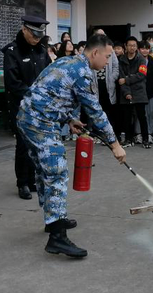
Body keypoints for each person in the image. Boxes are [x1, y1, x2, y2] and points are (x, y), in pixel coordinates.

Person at [17, 33, 126, 258]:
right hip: (40, 122)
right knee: (57, 172)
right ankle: (57, 237)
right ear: (95, 53)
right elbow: (95, 111)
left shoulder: (67, 61)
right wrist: (115, 144)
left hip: (28, 117)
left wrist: (68, 119)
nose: (107, 62)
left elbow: (49, 92)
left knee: (43, 169)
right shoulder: (82, 72)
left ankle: (53, 220)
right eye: (106, 57)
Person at [2, 15, 52, 200]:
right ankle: (22, 182)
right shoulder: (12, 51)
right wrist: (34, 95)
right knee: (23, 145)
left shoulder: (42, 51)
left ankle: (32, 179)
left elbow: (49, 74)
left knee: (38, 143)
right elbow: (12, 83)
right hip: (21, 106)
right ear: (24, 30)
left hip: (40, 107)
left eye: (40, 34)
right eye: (34, 33)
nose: (37, 37)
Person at [117, 36, 151, 148]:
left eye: (134, 45)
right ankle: (128, 139)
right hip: (126, 92)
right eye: (130, 45)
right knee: (126, 118)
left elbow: (141, 75)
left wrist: (127, 79)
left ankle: (145, 139)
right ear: (125, 46)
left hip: (139, 92)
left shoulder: (141, 59)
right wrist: (127, 93)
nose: (132, 47)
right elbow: (120, 79)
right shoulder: (121, 60)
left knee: (142, 117)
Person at [93, 29, 120, 141]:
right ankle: (98, 135)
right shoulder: (91, 49)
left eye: (103, 35)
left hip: (108, 84)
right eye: (99, 35)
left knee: (110, 110)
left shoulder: (110, 50)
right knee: (97, 110)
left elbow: (115, 67)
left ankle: (111, 135)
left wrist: (112, 78)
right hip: (95, 84)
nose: (101, 37)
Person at [136, 40, 153, 143]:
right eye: (142, 48)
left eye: (147, 48)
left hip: (151, 93)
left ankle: (149, 134)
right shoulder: (135, 62)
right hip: (138, 93)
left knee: (150, 114)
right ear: (139, 50)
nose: (145, 50)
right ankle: (139, 134)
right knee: (139, 115)